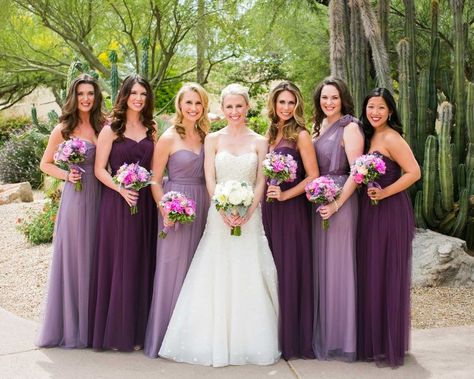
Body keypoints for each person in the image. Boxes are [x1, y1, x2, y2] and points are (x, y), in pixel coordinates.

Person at [159, 83, 280, 367]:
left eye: (239, 106)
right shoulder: (212, 139)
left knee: (247, 269)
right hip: (219, 215)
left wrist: (249, 211)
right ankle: (211, 339)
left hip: (249, 216)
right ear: (222, 109)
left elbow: (261, 181)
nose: (235, 112)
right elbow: (209, 178)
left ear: (247, 107)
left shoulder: (260, 142)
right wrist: (221, 207)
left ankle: (248, 341)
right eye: (229, 107)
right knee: (216, 269)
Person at [88, 74, 157, 352]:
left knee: (142, 261)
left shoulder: (152, 128)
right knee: (120, 263)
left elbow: (157, 166)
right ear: (125, 96)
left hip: (146, 207)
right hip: (117, 204)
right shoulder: (111, 129)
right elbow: (99, 169)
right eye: (134, 93)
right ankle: (117, 333)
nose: (139, 98)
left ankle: (138, 331)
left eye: (143, 94)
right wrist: (121, 187)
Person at [37, 74, 105, 348]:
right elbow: (45, 164)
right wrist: (66, 175)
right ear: (73, 97)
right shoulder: (63, 129)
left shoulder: (104, 126)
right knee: (76, 257)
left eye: (90, 93)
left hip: (101, 195)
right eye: (81, 94)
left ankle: (95, 326)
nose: (86, 99)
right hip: (76, 199)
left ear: (96, 96)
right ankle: (73, 327)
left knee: (96, 256)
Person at [144, 83, 211, 357]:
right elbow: (155, 180)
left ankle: (193, 339)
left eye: (198, 103)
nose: (193, 108)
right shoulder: (168, 138)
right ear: (179, 106)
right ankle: (164, 337)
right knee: (173, 270)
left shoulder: (208, 136)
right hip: (176, 208)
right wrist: (165, 209)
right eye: (189, 103)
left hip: (204, 205)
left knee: (200, 271)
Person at [357, 88, 420, 367]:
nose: (375, 112)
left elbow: (414, 172)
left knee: (389, 272)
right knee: (373, 272)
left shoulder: (392, 137)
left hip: (391, 210)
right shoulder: (370, 136)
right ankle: (375, 341)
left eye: (381, 108)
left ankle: (389, 344)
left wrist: (385, 193)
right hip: (371, 211)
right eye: (371, 107)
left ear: (390, 111)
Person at [261, 81, 318, 360]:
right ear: (273, 104)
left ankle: (294, 339)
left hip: (291, 210)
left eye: (291, 103)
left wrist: (285, 196)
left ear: (297, 105)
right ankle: (274, 334)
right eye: (281, 102)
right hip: (269, 209)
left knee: (290, 269)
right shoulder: (271, 133)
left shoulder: (301, 135)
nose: (286, 108)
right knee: (272, 270)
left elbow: (312, 175)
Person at [311, 77, 364, 361]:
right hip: (319, 201)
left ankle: (342, 340)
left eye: (334, 97)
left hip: (341, 202)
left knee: (339, 268)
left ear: (343, 99)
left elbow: (357, 172)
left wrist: (336, 205)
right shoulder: (319, 126)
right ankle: (325, 333)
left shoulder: (350, 126)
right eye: (324, 98)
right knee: (323, 268)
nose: (329, 102)